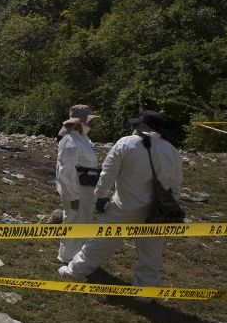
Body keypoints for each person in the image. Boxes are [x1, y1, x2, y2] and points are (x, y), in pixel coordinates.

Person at [58, 110, 184, 303]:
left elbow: (108, 174)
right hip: (156, 211)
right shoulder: (172, 151)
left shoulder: (125, 143)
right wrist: (168, 207)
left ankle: (74, 272)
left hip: (125, 206)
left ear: (140, 127)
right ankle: (145, 291)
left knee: (100, 244)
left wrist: (100, 196)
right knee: (151, 252)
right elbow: (175, 185)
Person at [55, 104, 101, 264]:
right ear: (80, 123)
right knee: (73, 221)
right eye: (89, 121)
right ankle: (67, 257)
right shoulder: (71, 141)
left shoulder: (83, 140)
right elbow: (65, 170)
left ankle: (78, 257)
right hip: (76, 190)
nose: (91, 125)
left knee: (83, 222)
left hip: (86, 189)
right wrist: (73, 195)